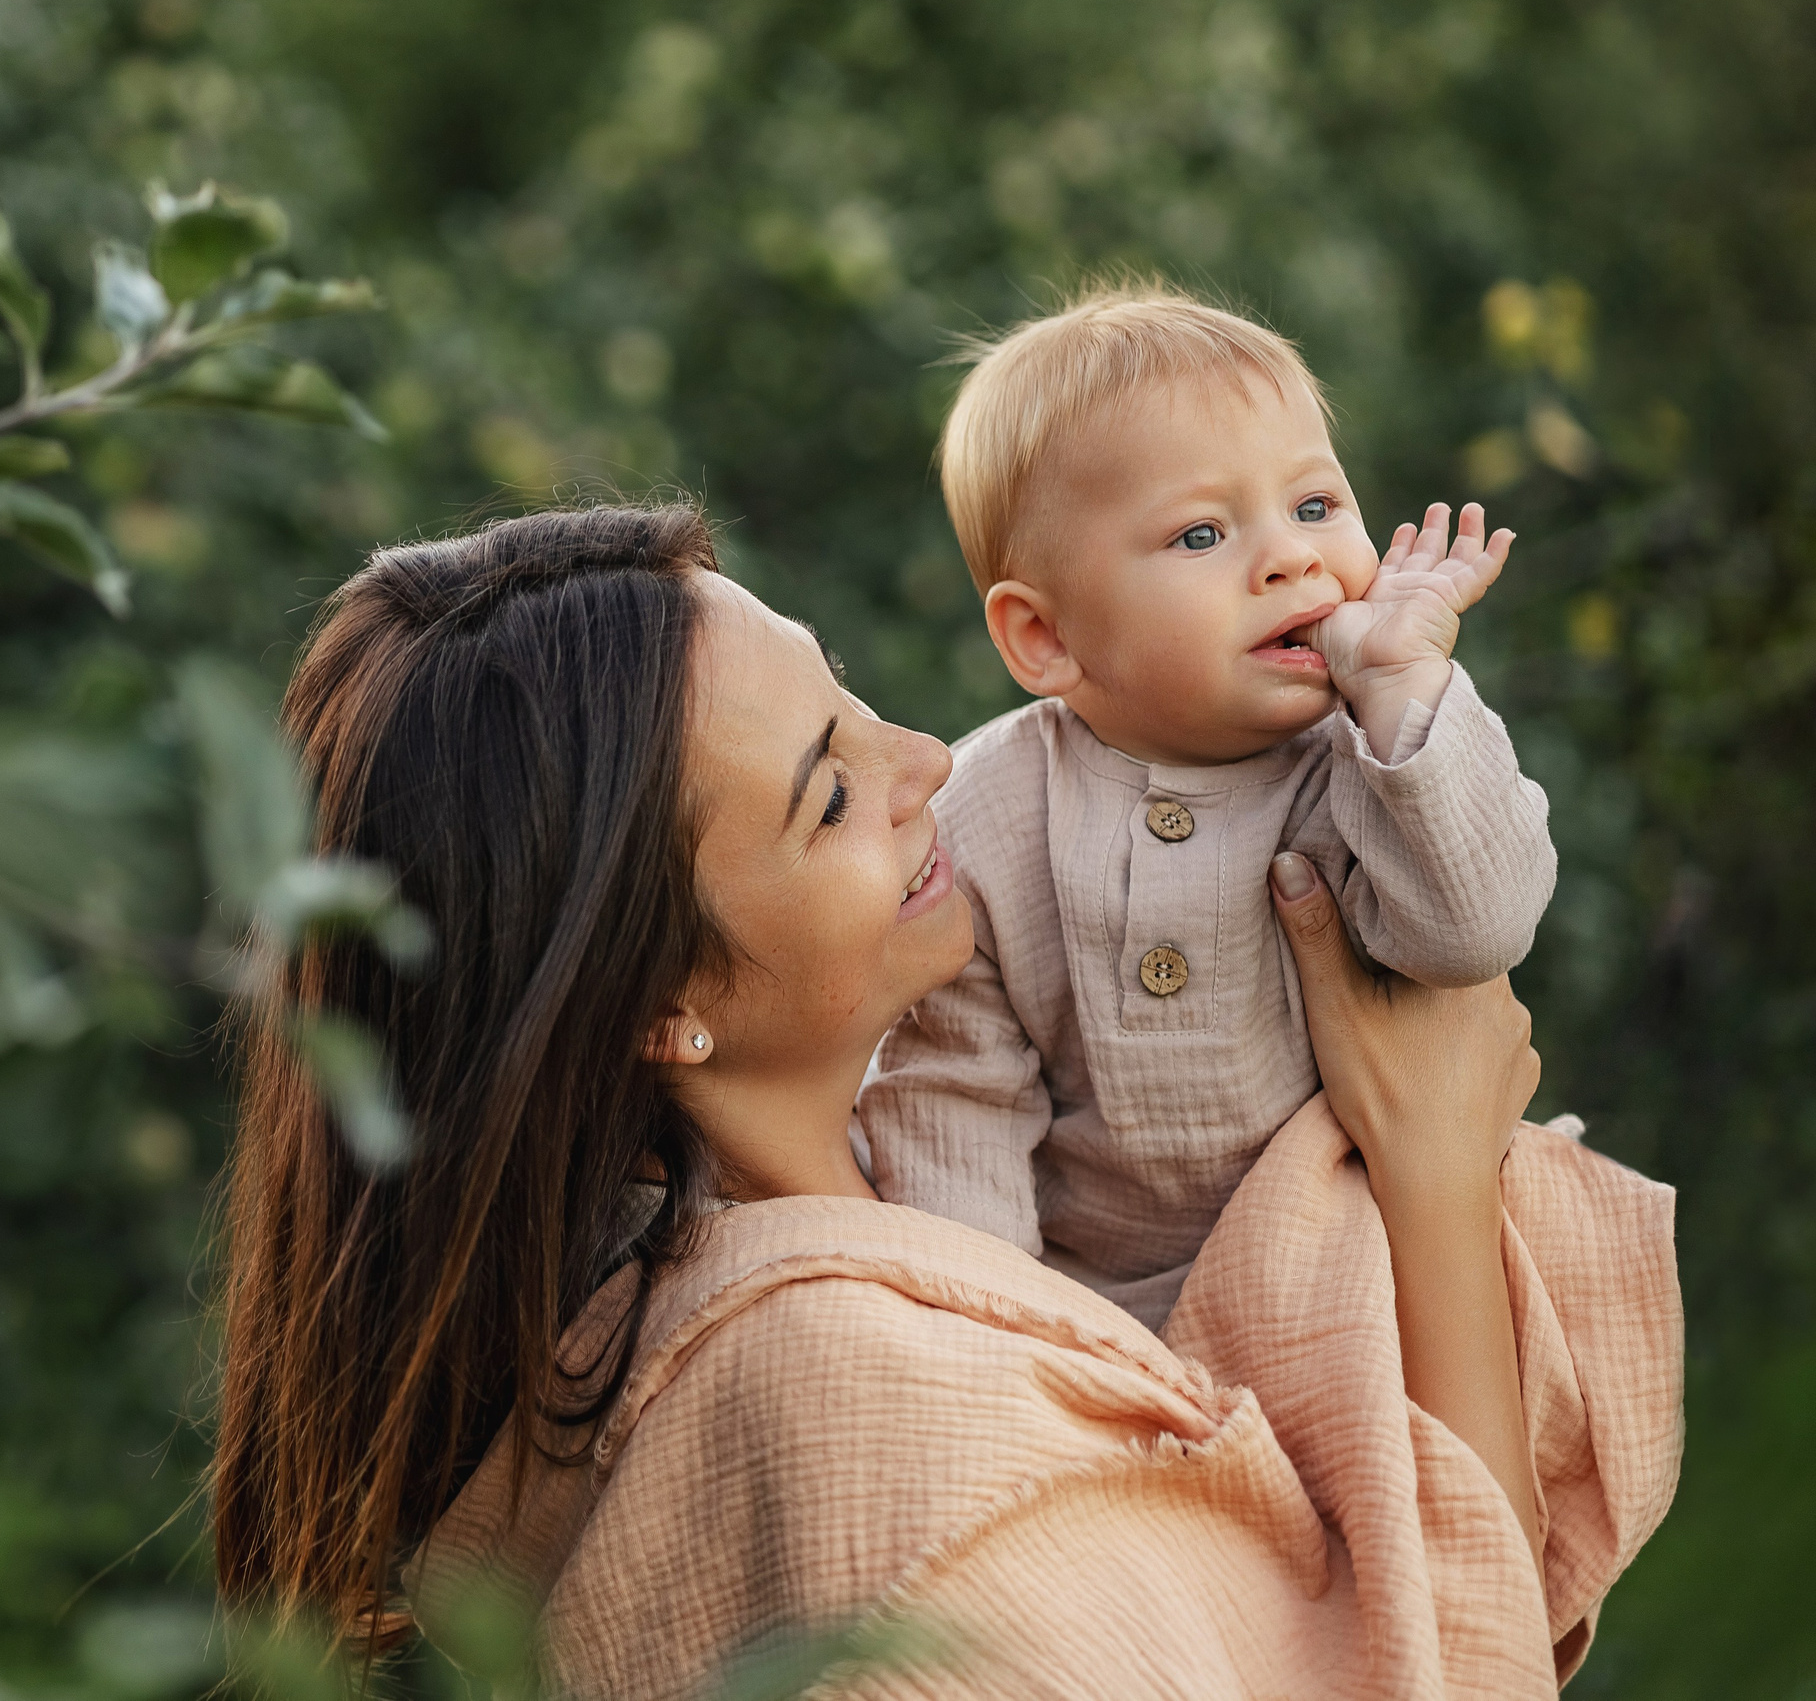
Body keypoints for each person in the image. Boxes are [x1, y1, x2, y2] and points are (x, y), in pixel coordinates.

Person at [211, 505, 1679, 1698]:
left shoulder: (691, 1337)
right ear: (663, 1007)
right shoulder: (855, 1404)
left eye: (849, 698)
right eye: (829, 797)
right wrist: (1426, 1176)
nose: (927, 761)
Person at [858, 284, 1559, 1330]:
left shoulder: (1375, 756)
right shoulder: (986, 824)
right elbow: (954, 1110)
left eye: (1315, 507)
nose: (1291, 556)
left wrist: (1408, 690)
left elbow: (1479, 929)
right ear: (1044, 638)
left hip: (1379, 1271)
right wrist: (1007, 1355)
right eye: (1199, 535)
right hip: (1104, 1308)